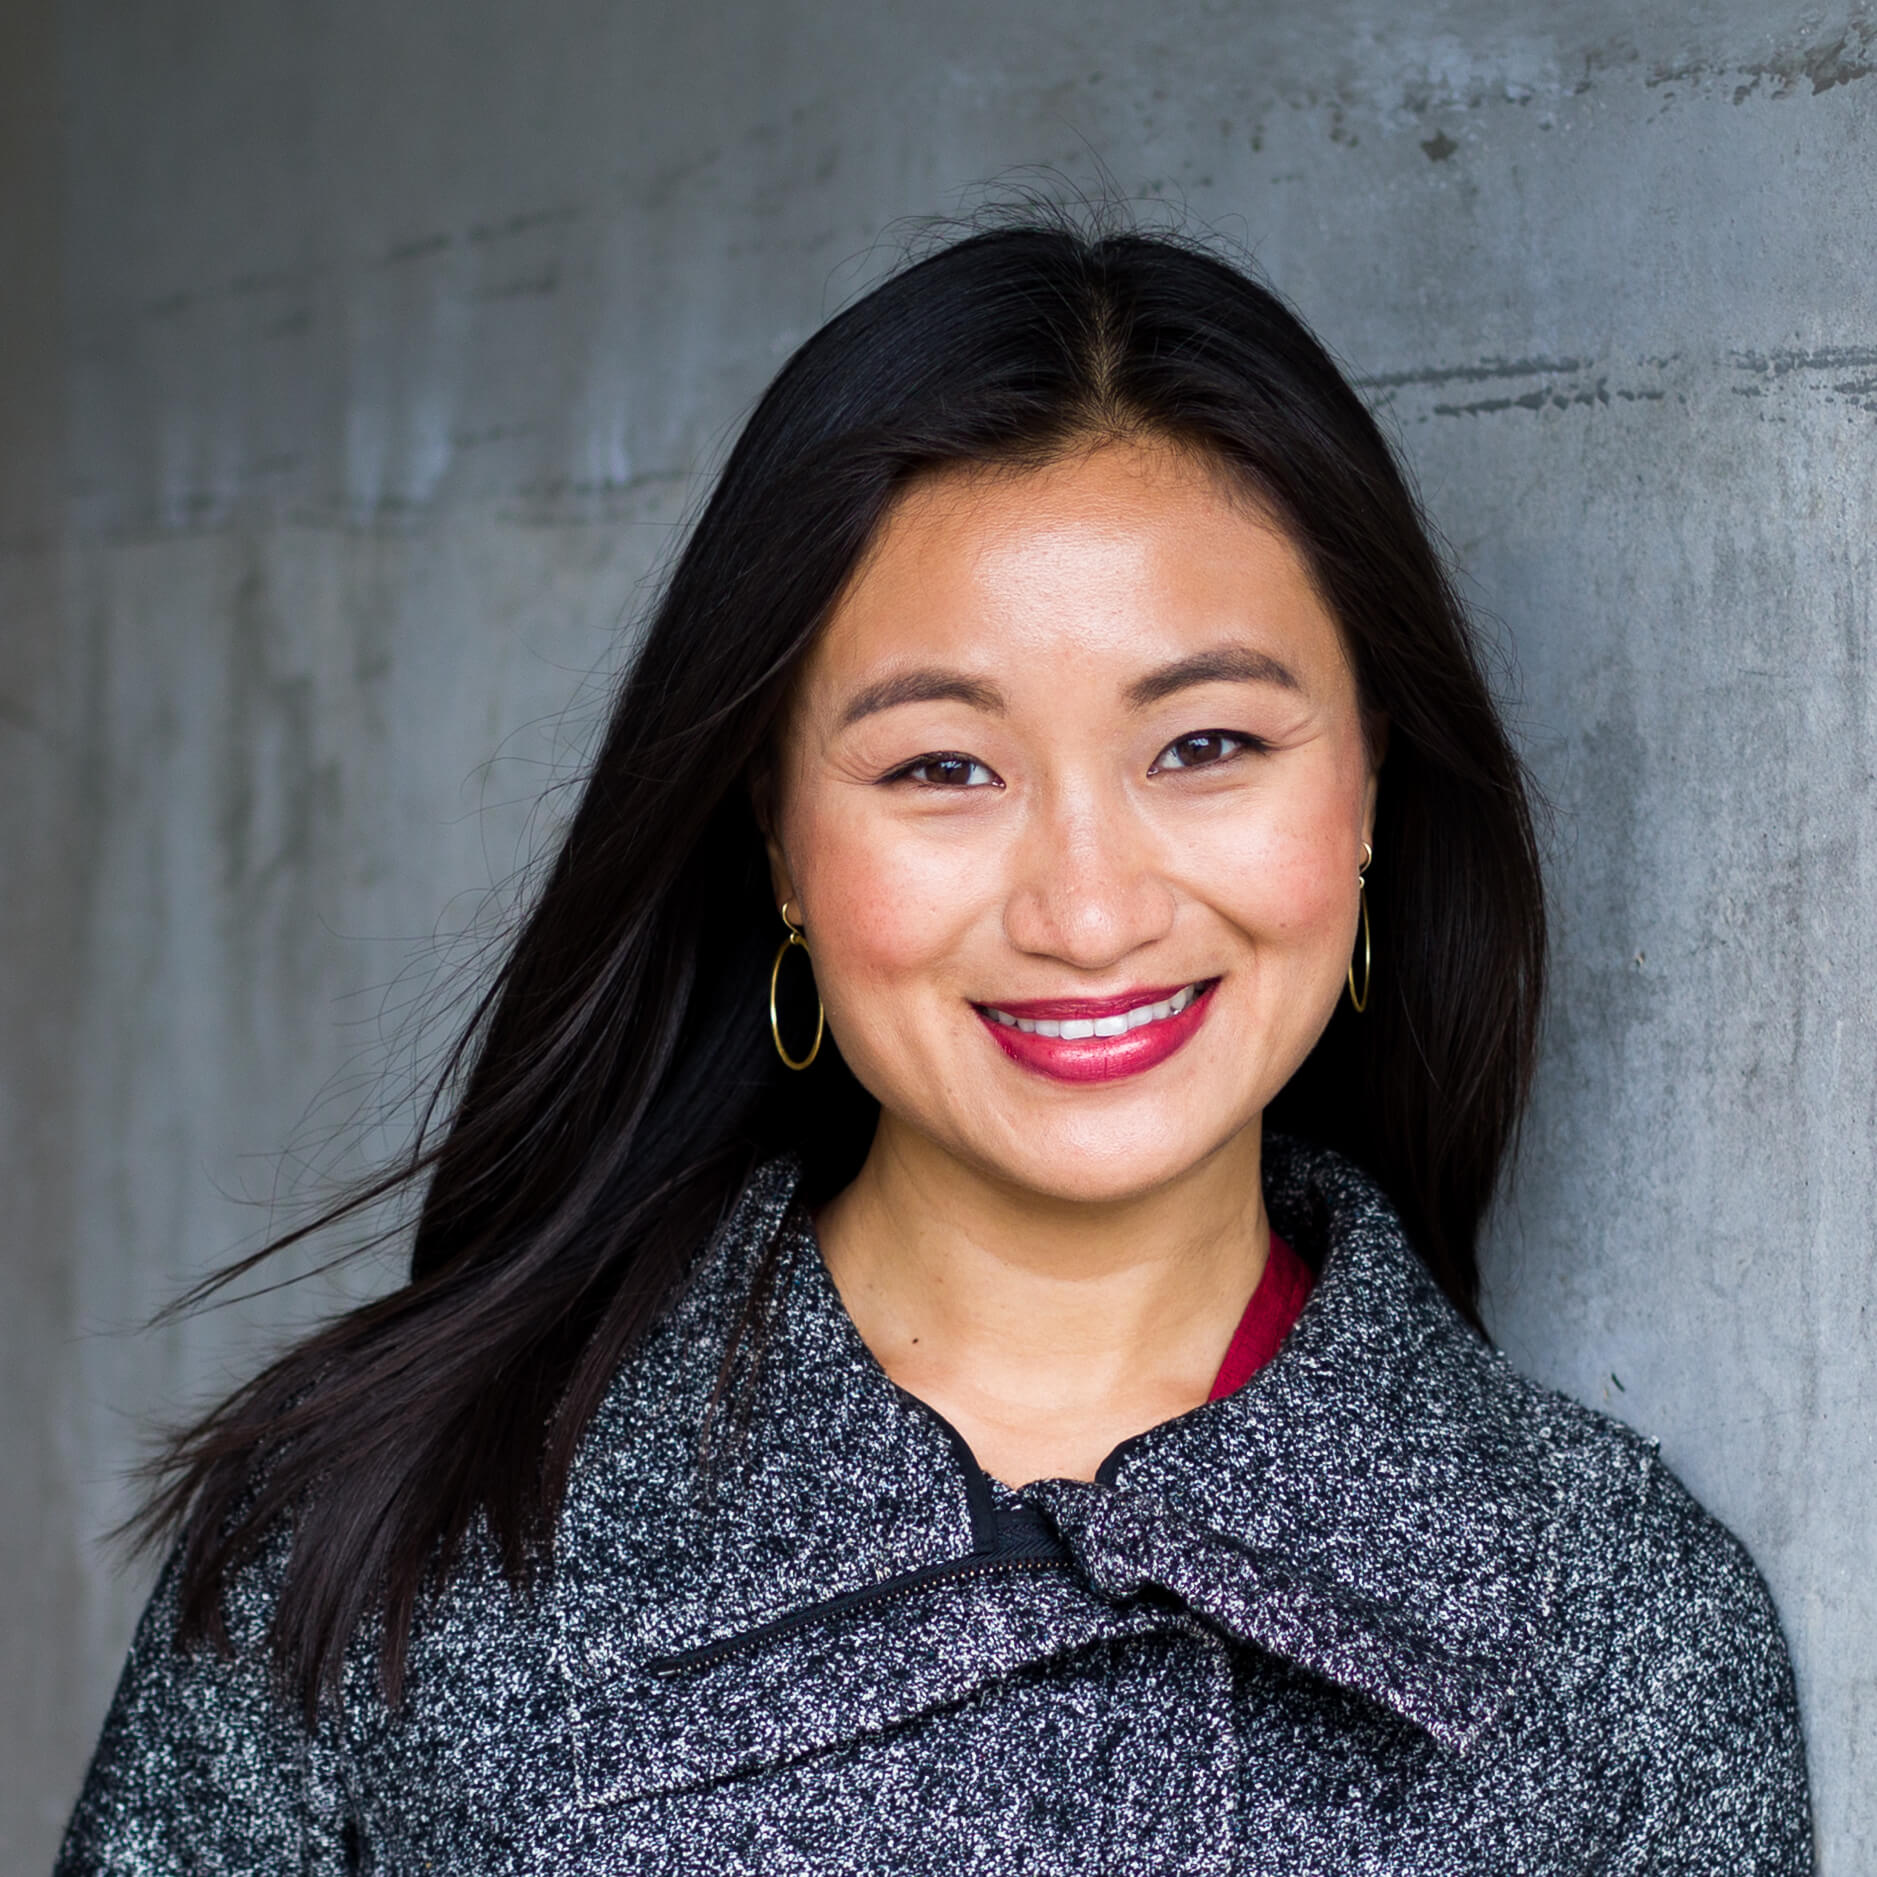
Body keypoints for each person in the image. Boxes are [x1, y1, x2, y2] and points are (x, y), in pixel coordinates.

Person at [56, 216, 1812, 1874]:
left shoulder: (1610, 1620)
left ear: (1370, 788)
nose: (1086, 904)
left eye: (1204, 745)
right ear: (776, 839)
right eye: (940, 768)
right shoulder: (389, 1539)